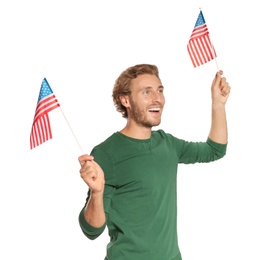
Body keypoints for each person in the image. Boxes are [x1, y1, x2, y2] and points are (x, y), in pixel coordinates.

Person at [78, 64, 231, 260]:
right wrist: (97, 192)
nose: (157, 98)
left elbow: (214, 150)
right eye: (146, 92)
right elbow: (91, 230)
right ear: (125, 100)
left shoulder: (167, 144)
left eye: (160, 90)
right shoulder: (106, 153)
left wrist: (218, 104)